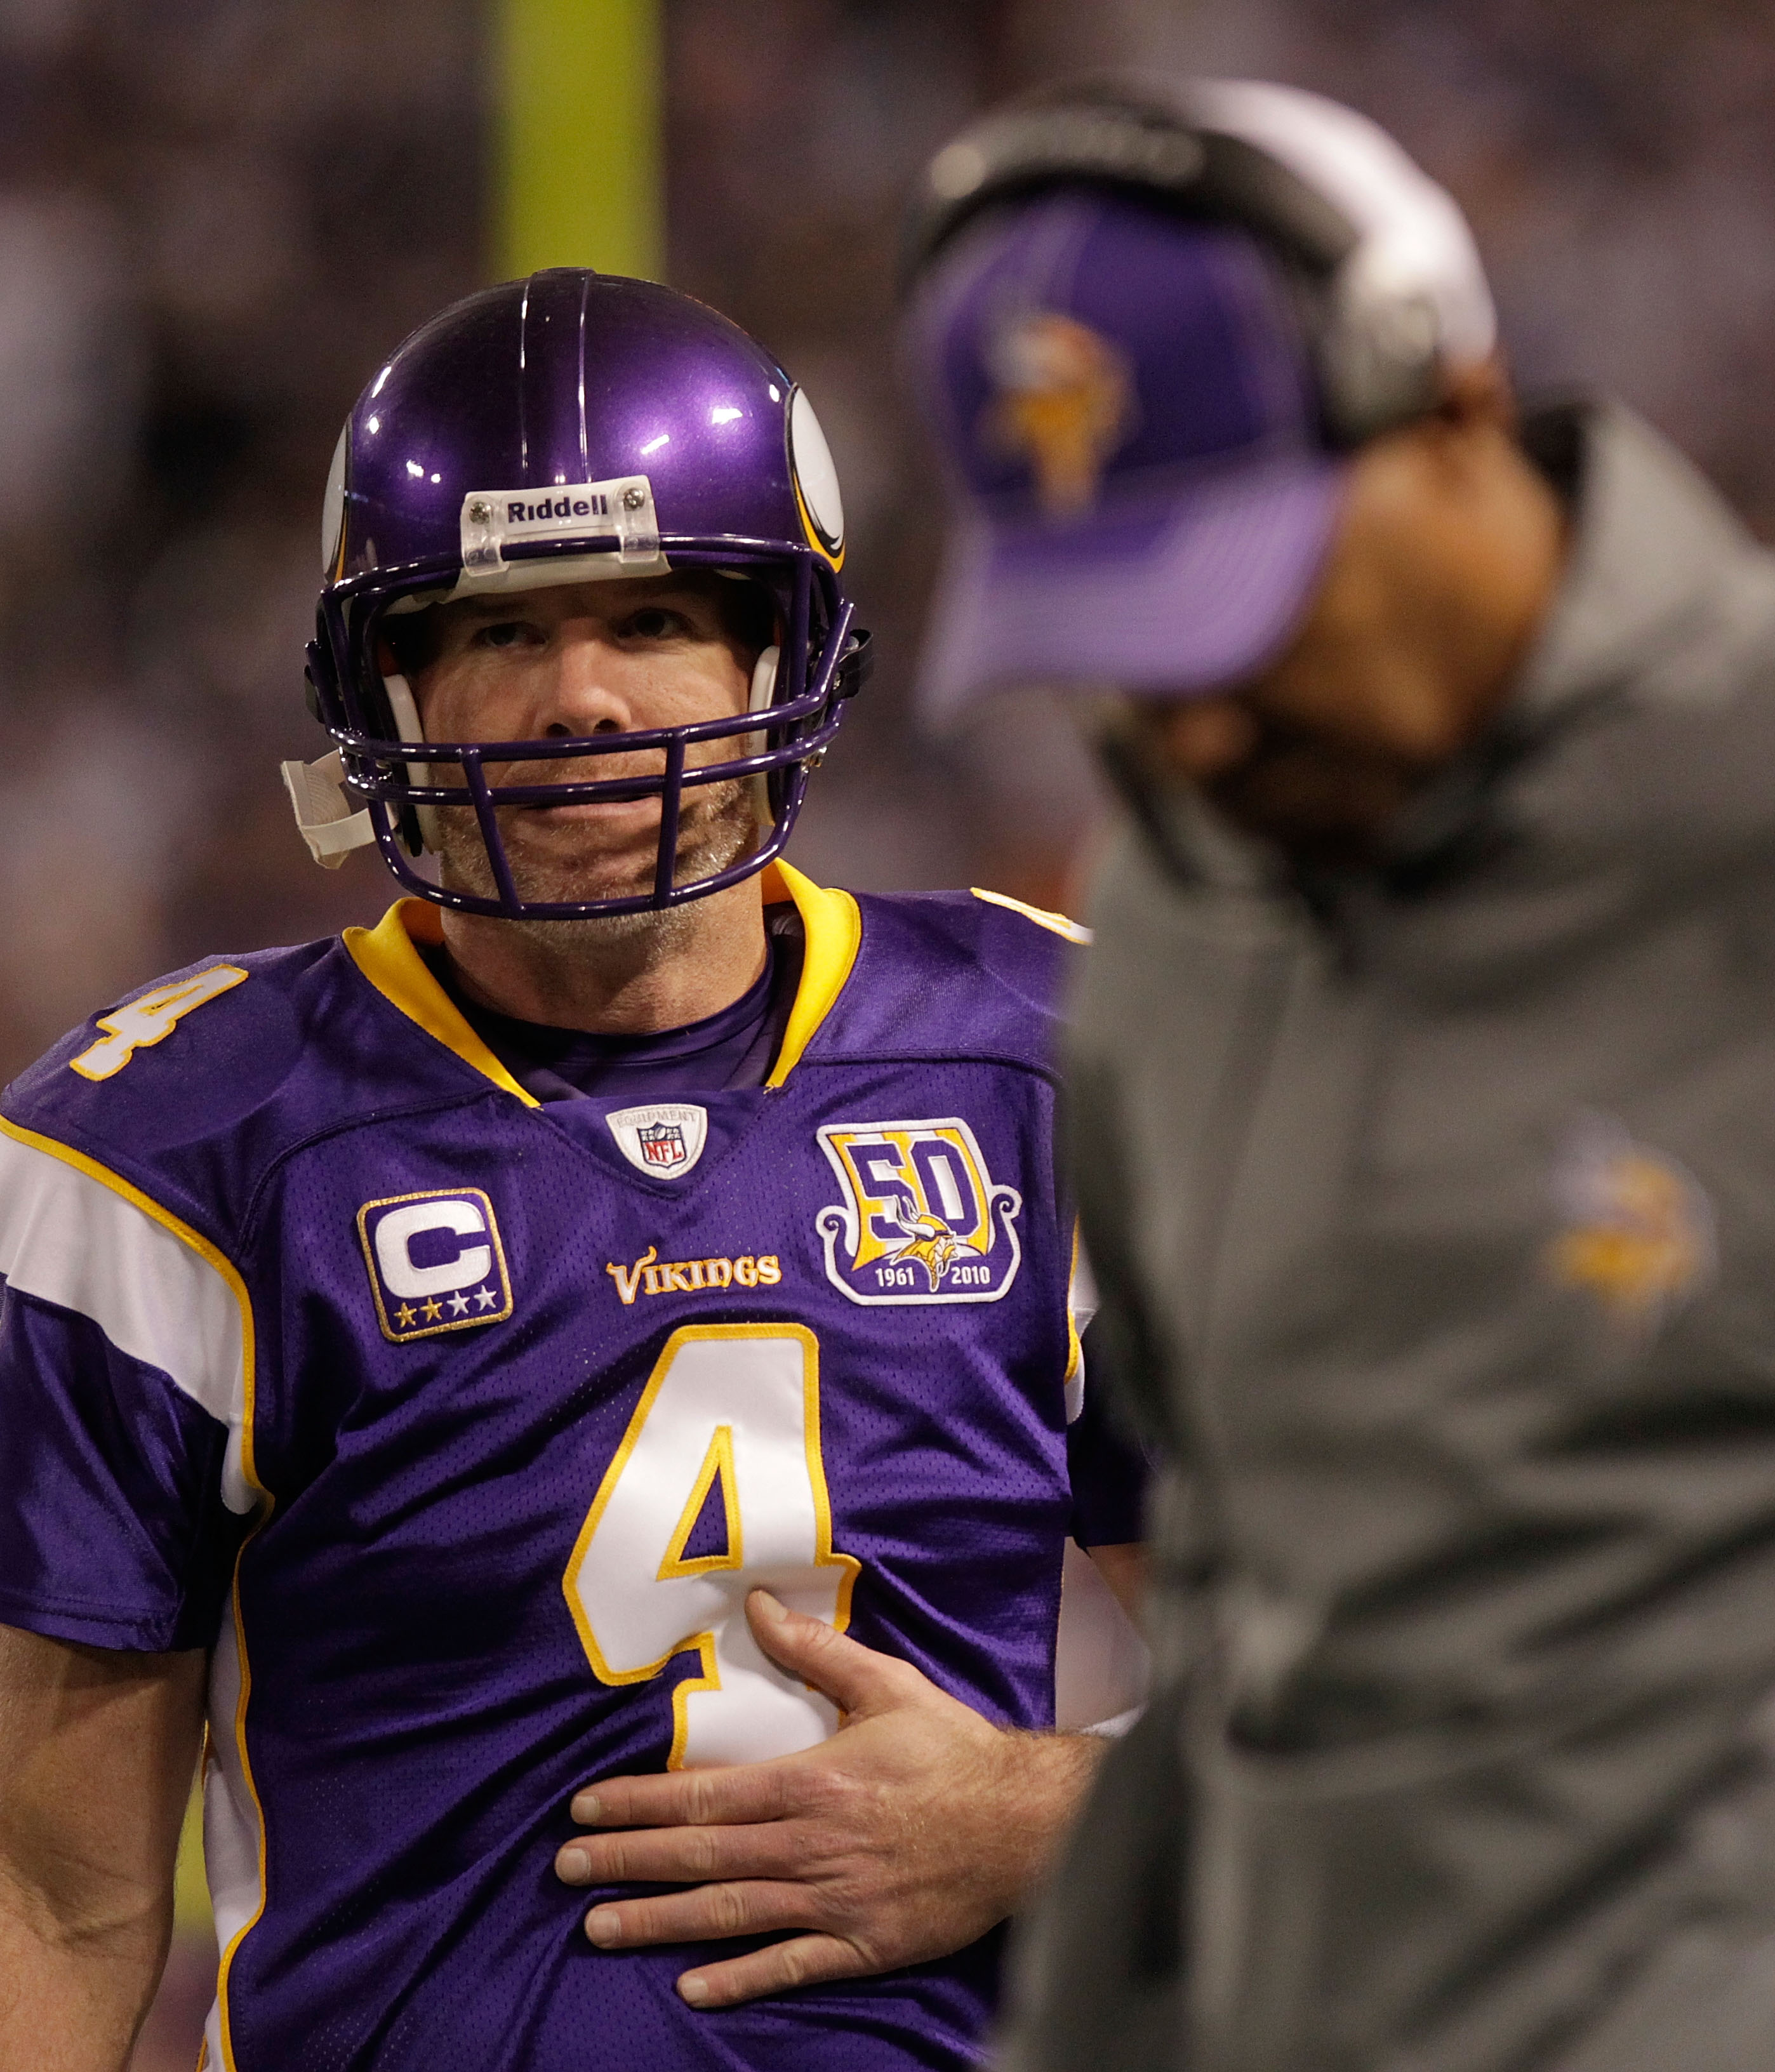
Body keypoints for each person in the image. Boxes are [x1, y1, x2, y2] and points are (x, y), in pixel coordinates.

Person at [0, 269, 1148, 2072]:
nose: (582, 699)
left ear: (783, 650)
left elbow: (1371, 1696)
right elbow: (48, 1898)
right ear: (387, 679)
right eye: (501, 630)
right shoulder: (165, 1146)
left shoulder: (1052, 1058)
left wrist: (1048, 1809)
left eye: (655, 618)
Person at [903, 74, 1775, 2072]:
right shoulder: (1171, 943)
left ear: (1453, 413)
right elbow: (1249, 1641)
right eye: (1118, 642)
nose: (1190, 729)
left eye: (1237, 607)